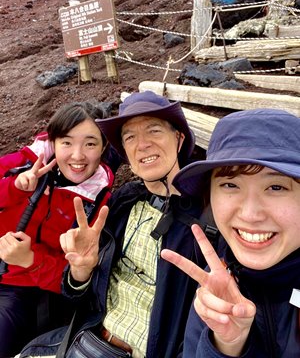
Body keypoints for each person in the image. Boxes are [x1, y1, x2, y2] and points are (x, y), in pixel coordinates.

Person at [31, 90, 220, 358]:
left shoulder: (210, 218)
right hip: (87, 341)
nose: (142, 144)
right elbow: (77, 298)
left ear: (179, 139)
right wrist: (80, 272)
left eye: (154, 131)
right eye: (130, 137)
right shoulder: (122, 203)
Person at [161, 108, 300, 358]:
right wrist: (227, 344)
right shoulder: (216, 283)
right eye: (230, 184)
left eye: (276, 186)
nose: (250, 213)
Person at [0, 100, 118, 357]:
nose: (77, 155)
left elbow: (73, 282)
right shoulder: (23, 163)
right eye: (66, 142)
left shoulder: (99, 205)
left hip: (23, 290)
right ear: (52, 142)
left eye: (90, 143)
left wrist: (30, 260)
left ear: (104, 147)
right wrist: (13, 188)